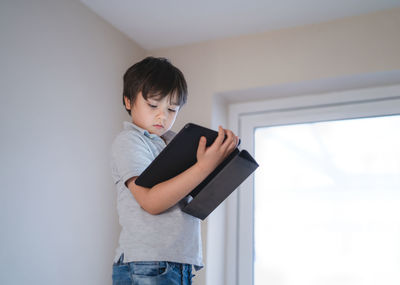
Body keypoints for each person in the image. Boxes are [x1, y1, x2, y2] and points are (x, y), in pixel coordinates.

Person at [110, 56, 238, 285]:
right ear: (128, 102)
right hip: (147, 264)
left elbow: (191, 200)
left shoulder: (175, 143)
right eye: (153, 105)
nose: (162, 116)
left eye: (171, 109)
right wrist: (202, 167)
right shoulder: (130, 140)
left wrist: (217, 167)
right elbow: (151, 202)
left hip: (181, 262)